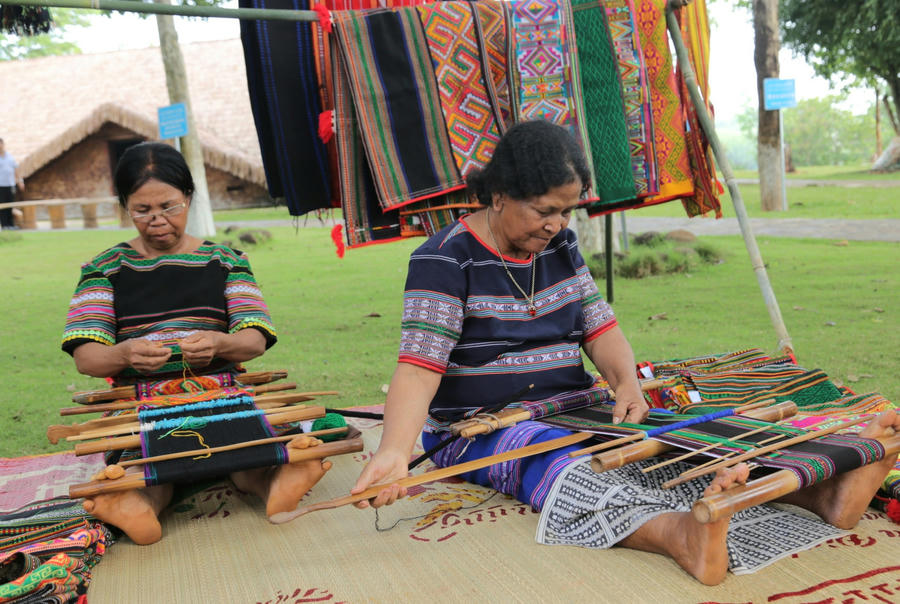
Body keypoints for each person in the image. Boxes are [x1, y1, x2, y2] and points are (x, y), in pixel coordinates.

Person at [350, 120, 900, 585]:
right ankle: (678, 535)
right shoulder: (445, 260)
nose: (557, 225)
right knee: (565, 465)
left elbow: (599, 326)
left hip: (574, 405)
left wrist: (627, 385)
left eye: (567, 211)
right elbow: (419, 367)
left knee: (674, 438)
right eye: (545, 210)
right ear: (498, 195)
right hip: (482, 426)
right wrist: (396, 450)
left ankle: (820, 494)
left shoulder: (560, 246)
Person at [61, 142, 331, 545]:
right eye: (142, 210)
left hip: (224, 392)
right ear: (124, 207)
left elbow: (254, 340)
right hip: (141, 401)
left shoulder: (226, 260)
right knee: (151, 467)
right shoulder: (104, 269)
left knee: (248, 456)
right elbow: (87, 357)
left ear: (188, 197)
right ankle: (140, 507)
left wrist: (220, 344)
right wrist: (123, 353)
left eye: (169, 206)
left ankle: (272, 484)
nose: (157, 220)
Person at [0, 137, 25, 229]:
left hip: (10, 185)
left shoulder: (10, 157)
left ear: (3, 144)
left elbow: (16, 170)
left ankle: (11, 225)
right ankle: (4, 225)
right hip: (1, 186)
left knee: (10, 205)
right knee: (2, 206)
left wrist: (20, 181)